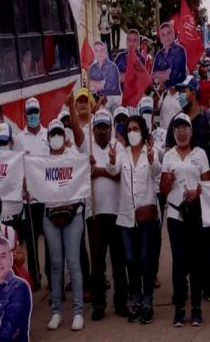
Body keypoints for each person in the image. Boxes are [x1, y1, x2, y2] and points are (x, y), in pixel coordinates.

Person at [165, 75, 210, 302]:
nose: (180, 94)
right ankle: (182, 287)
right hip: (180, 195)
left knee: (206, 245)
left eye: (185, 90)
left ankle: (206, 284)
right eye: (179, 90)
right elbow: (169, 151)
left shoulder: (208, 121)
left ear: (195, 92)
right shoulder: (174, 122)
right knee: (181, 247)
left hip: (204, 191)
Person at [107, 115, 161, 325]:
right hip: (126, 217)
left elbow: (157, 172)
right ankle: (136, 300)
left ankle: (148, 301)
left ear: (143, 131)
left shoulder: (151, 150)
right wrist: (111, 160)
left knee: (146, 258)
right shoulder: (123, 152)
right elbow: (113, 170)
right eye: (129, 129)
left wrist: (150, 158)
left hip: (146, 216)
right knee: (131, 260)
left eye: (136, 128)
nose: (132, 132)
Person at [160, 113, 210, 327]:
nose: (182, 132)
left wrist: (197, 193)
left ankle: (197, 308)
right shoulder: (168, 155)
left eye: (185, 127)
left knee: (196, 261)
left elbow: (208, 185)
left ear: (191, 131)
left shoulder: (200, 154)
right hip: (175, 215)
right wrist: (168, 181)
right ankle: (180, 308)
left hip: (195, 213)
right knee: (179, 262)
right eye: (178, 128)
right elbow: (162, 189)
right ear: (173, 132)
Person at [43, 119, 86, 331]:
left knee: (73, 262)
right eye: (53, 134)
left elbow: (85, 165)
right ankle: (56, 311)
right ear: (48, 138)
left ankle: (78, 311)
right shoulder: (41, 161)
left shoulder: (74, 157)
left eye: (60, 133)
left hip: (73, 214)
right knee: (55, 264)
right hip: (50, 215)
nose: (56, 137)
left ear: (64, 135)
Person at [88, 109, 129, 320]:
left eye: (106, 127)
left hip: (116, 210)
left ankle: (121, 302)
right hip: (95, 214)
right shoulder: (88, 148)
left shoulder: (118, 147)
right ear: (93, 129)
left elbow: (118, 174)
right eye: (99, 127)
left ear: (111, 129)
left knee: (119, 260)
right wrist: (89, 168)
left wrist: (99, 170)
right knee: (97, 262)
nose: (102, 131)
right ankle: (98, 304)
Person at [12, 97, 50, 291]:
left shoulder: (49, 135)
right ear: (25, 115)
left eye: (36, 111)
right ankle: (35, 278)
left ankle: (52, 278)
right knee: (32, 240)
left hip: (47, 196)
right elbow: (17, 168)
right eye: (30, 112)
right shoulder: (19, 139)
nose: (33, 115)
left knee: (50, 239)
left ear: (40, 112)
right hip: (30, 199)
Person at [152, 22, 187, 87]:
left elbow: (174, 75)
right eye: (163, 35)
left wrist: (159, 74)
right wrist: (165, 73)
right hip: (163, 92)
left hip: (179, 91)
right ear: (161, 39)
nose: (166, 37)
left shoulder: (180, 50)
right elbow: (153, 77)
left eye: (168, 33)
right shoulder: (159, 55)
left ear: (173, 34)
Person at [89, 41, 122, 108]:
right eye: (97, 51)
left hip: (114, 103)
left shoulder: (112, 67)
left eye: (101, 50)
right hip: (99, 103)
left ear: (105, 52)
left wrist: (97, 84)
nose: (99, 53)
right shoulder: (92, 68)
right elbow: (91, 87)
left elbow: (109, 85)